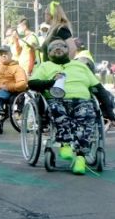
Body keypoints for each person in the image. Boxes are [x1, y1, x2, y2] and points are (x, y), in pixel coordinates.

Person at [28, 39, 115, 174]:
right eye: (53, 47)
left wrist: (109, 111)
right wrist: (51, 82)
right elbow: (32, 83)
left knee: (87, 115)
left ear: (68, 51)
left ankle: (80, 158)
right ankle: (66, 144)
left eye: (61, 46)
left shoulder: (80, 66)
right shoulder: (45, 66)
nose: (57, 48)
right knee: (57, 111)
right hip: (56, 99)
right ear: (49, 53)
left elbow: (98, 88)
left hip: (82, 100)